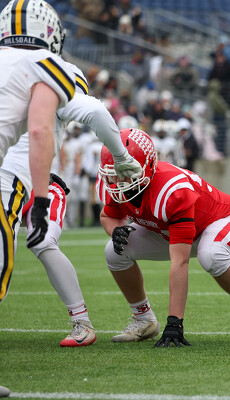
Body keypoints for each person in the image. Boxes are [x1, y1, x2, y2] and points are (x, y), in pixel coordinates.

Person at [0, 0, 139, 304]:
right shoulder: (50, 67)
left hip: (28, 178)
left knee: (42, 244)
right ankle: (82, 318)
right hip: (13, 179)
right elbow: (93, 113)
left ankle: (80, 319)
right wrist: (122, 157)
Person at [97, 128, 230, 347]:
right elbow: (108, 215)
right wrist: (115, 230)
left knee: (211, 255)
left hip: (222, 220)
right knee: (114, 251)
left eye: (126, 171)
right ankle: (144, 319)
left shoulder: (171, 190)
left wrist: (175, 322)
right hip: (170, 229)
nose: (119, 179)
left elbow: (179, 262)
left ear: (148, 166)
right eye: (114, 172)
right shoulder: (117, 184)